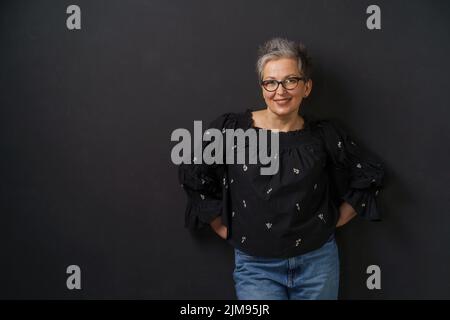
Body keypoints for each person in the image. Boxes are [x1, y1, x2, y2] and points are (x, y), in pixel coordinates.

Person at [178, 37, 385, 300]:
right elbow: (194, 171)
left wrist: (337, 219)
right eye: (271, 82)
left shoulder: (324, 135)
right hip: (256, 266)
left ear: (306, 87)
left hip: (318, 263)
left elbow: (367, 173)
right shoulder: (233, 129)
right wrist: (219, 223)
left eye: (290, 80)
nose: (280, 91)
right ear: (262, 87)